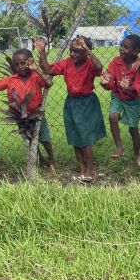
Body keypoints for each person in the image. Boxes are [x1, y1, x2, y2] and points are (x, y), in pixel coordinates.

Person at [37, 36, 106, 183]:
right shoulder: (67, 63)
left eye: (78, 51)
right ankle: (82, 169)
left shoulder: (89, 64)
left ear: (86, 52)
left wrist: (87, 50)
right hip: (71, 103)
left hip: (86, 103)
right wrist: (42, 52)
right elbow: (48, 69)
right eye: (71, 51)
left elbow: (99, 67)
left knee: (85, 138)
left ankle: (90, 170)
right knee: (75, 137)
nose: (73, 54)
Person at [0, 48, 55, 174]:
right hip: (20, 116)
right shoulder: (11, 79)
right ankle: (38, 159)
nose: (20, 66)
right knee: (29, 139)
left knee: (44, 138)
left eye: (23, 63)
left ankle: (51, 160)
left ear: (30, 61)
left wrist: (35, 68)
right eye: (16, 64)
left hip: (37, 114)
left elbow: (49, 82)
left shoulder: (36, 76)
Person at [100, 34, 140, 165]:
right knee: (113, 116)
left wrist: (130, 87)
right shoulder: (116, 62)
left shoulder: (139, 66)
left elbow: (139, 86)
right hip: (118, 95)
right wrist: (105, 82)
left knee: (133, 129)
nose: (121, 49)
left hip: (133, 100)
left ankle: (137, 155)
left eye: (126, 47)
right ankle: (119, 147)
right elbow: (110, 82)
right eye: (121, 45)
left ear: (135, 51)